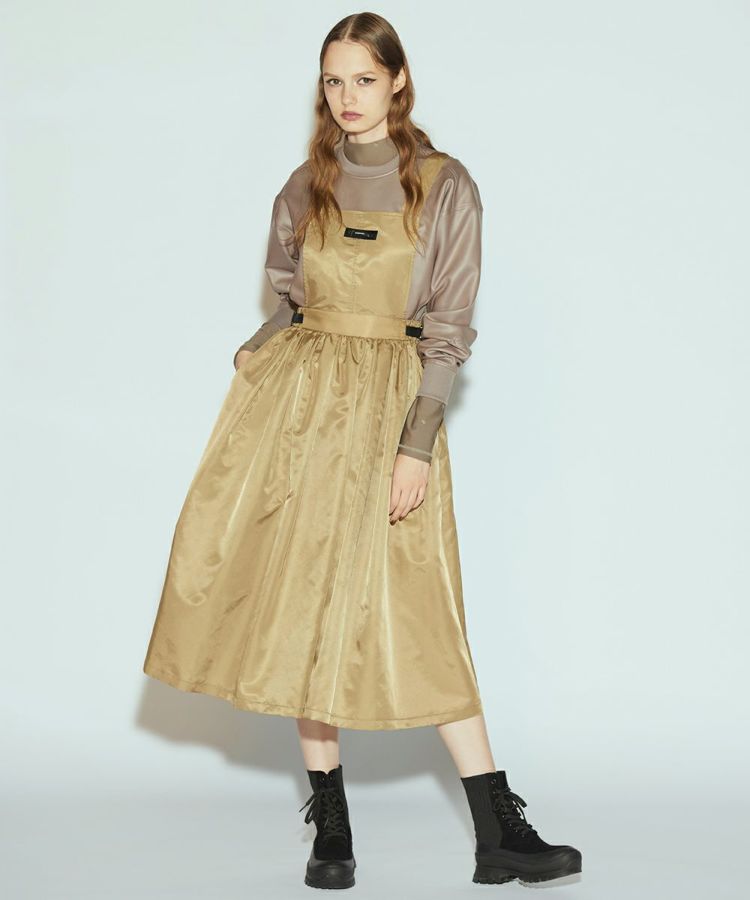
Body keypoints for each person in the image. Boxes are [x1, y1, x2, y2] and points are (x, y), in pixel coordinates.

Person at [142, 11, 582, 890]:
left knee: (424, 613)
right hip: (298, 413)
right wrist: (255, 352)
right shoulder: (305, 183)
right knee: (301, 606)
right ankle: (332, 827)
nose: (348, 97)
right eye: (334, 80)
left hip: (390, 414)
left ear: (398, 81)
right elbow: (290, 302)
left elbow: (449, 326)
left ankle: (496, 827)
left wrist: (416, 446)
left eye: (365, 79)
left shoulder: (444, 184)